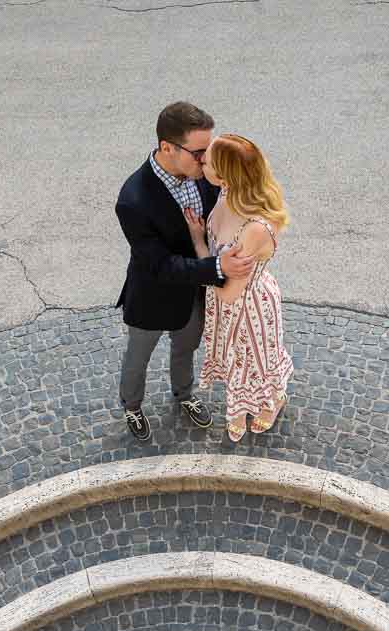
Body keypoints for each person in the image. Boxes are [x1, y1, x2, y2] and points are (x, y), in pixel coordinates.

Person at [115, 102, 255, 442]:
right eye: (199, 152)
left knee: (186, 348)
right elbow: (160, 264)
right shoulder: (133, 199)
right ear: (167, 147)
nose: (206, 160)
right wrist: (217, 267)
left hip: (193, 296)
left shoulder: (204, 176)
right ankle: (132, 406)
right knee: (138, 359)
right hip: (151, 297)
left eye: (209, 150)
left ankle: (184, 395)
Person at [184, 134, 293, 443]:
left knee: (255, 362)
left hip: (250, 306)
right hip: (222, 299)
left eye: (207, 160)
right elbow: (218, 273)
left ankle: (272, 402)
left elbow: (231, 291)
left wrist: (200, 262)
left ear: (224, 173)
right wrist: (198, 239)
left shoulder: (256, 228)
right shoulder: (226, 192)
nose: (201, 160)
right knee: (234, 362)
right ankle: (239, 410)